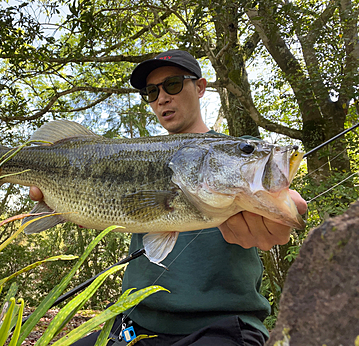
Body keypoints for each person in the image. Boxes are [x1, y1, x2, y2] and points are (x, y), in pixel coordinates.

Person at [29, 49, 307, 345]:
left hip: (220, 327)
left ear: (200, 87)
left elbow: (291, 205)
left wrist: (282, 220)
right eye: (152, 91)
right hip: (133, 324)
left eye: (172, 84)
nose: (161, 98)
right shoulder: (135, 153)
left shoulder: (242, 148)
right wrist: (65, 206)